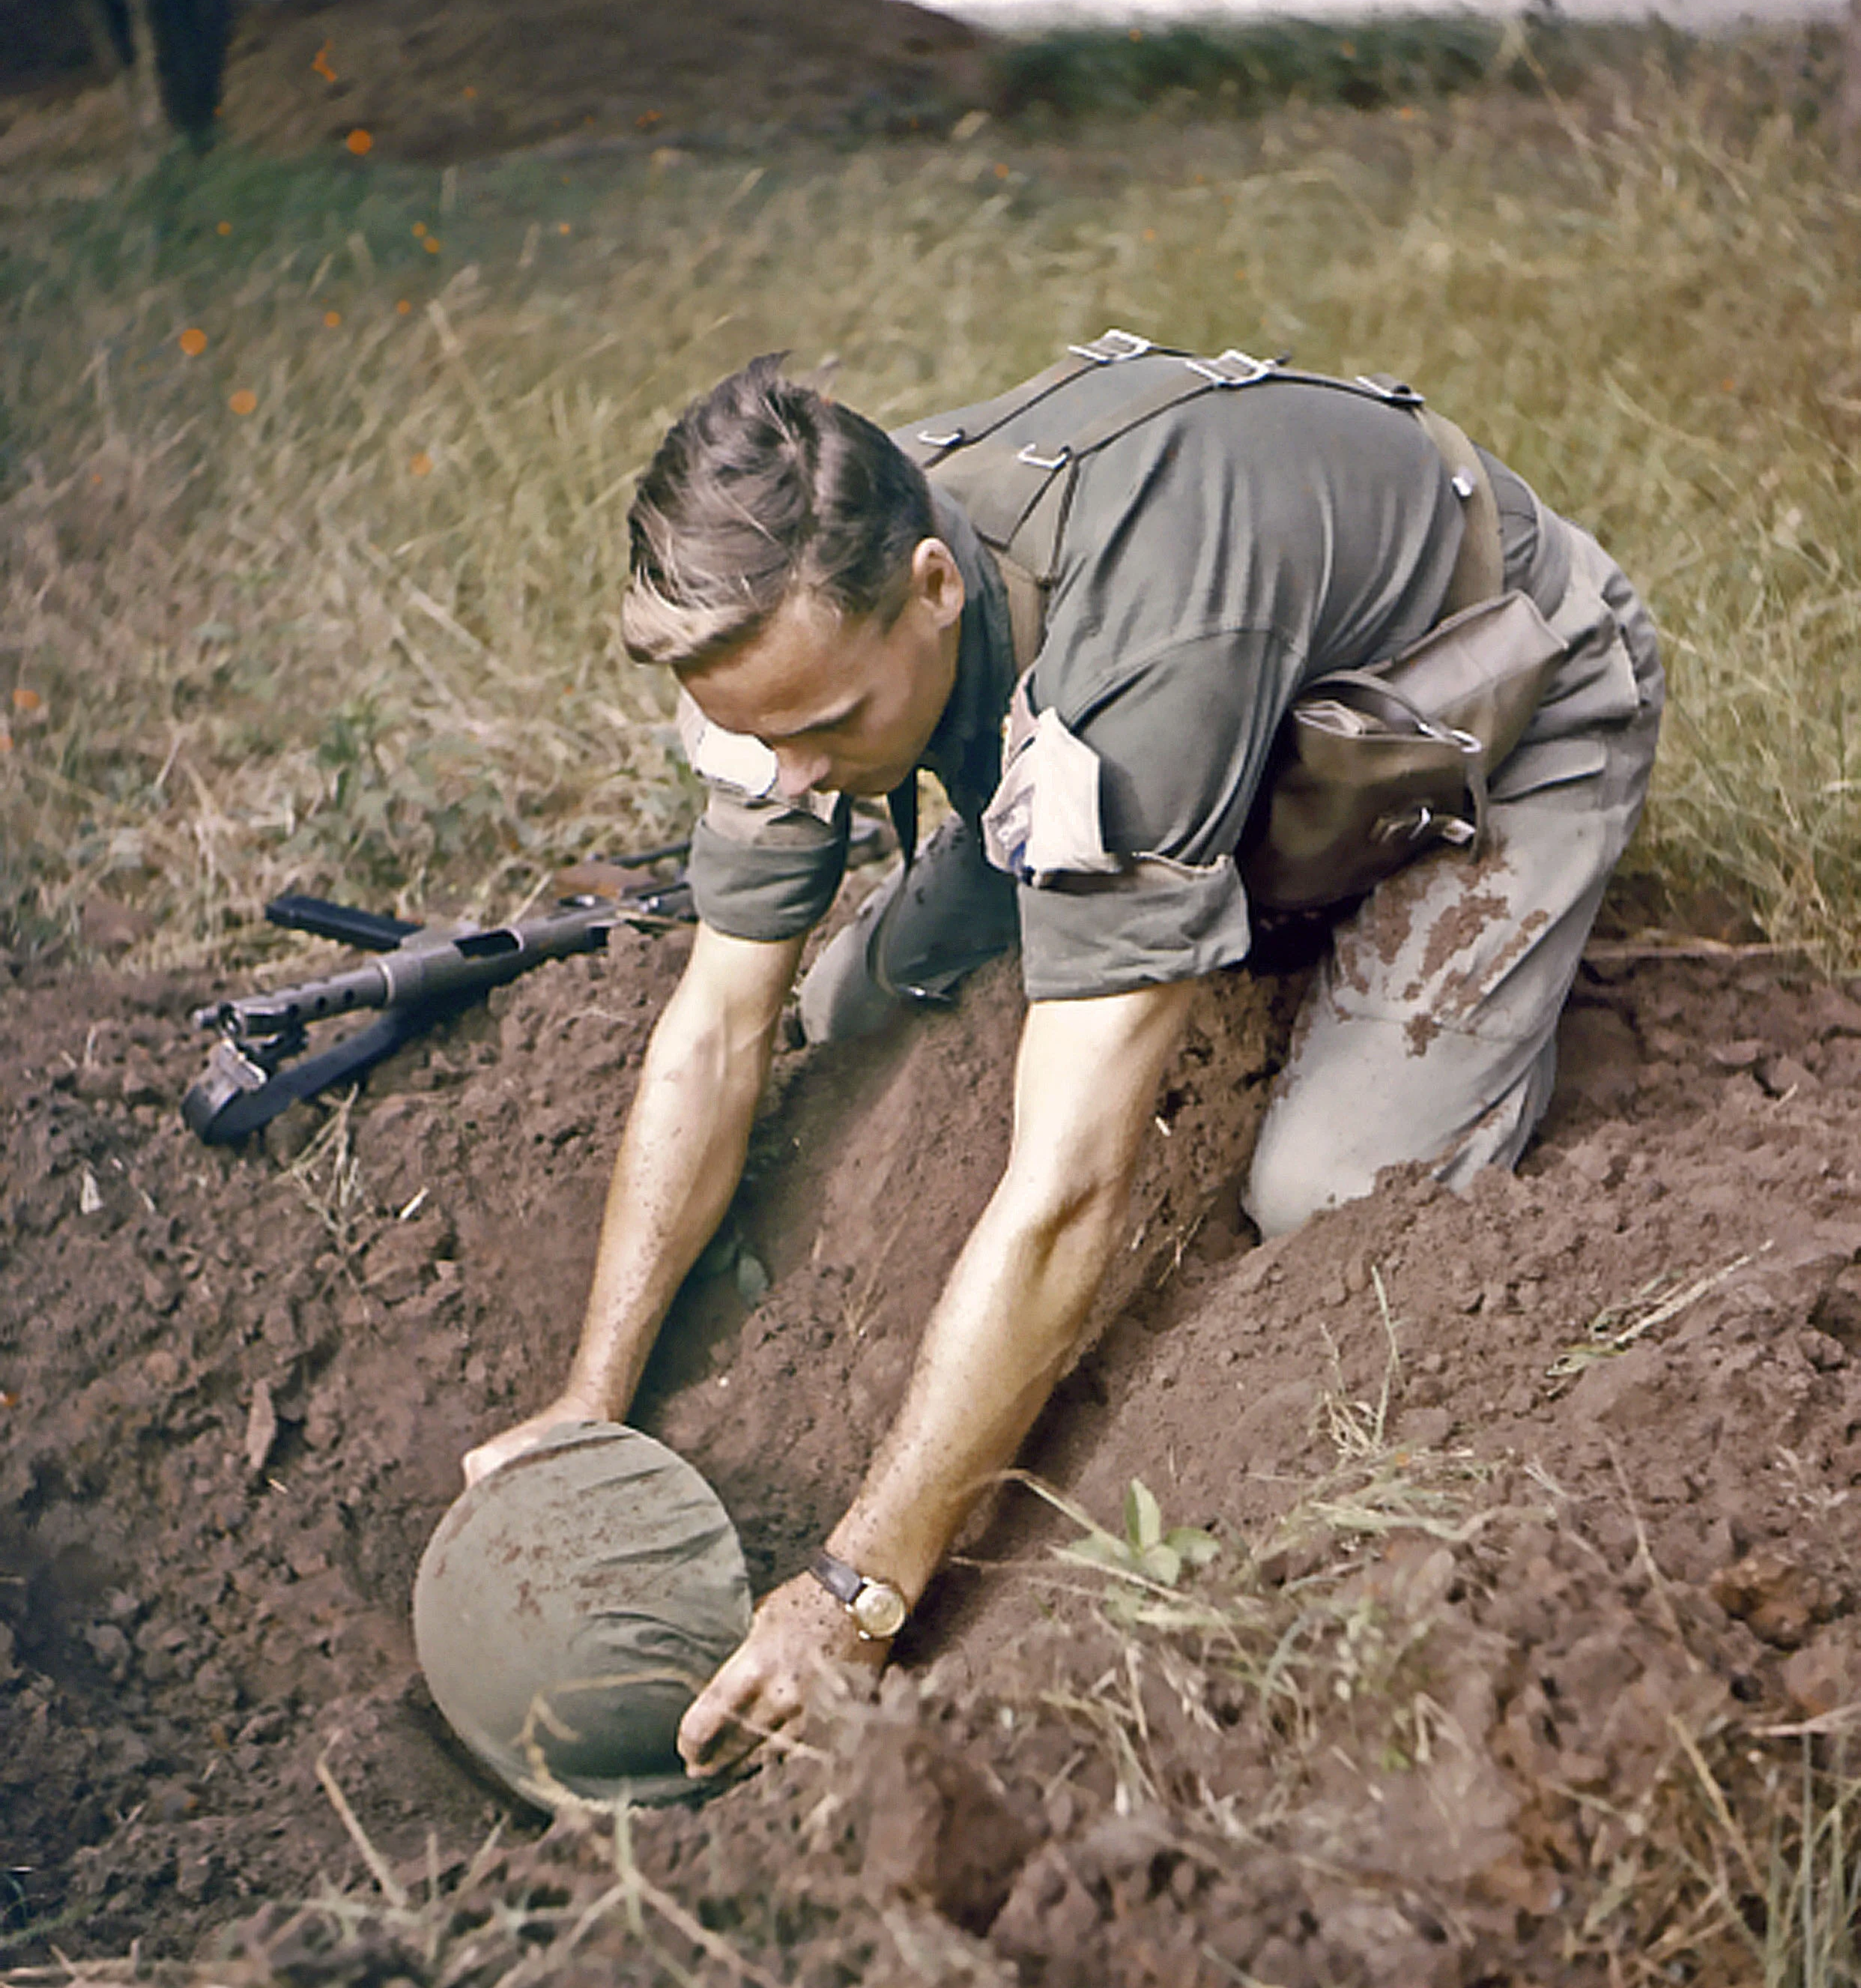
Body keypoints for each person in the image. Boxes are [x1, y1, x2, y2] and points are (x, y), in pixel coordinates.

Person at [460, 333, 1663, 1779]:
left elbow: (1071, 1186)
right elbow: (721, 1024)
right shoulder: (789, 604)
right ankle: (1215, 878)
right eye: (753, 738)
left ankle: (1368, 941)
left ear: (934, 586)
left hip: (1485, 696)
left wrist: (857, 1591)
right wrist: (590, 1404)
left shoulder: (1149, 644)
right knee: (849, 1010)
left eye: (828, 728)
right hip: (1192, 722)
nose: (791, 776)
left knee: (1331, 1192)